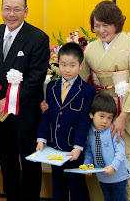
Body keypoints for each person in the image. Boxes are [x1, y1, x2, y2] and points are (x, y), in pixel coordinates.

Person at [80, 0, 130, 200]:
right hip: (101, 115)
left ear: (117, 23)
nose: (101, 30)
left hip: (127, 113)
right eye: (97, 25)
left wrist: (124, 116)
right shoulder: (91, 50)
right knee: (102, 164)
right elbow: (82, 82)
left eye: (106, 24)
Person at [0, 0, 50, 201]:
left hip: (27, 113)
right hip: (2, 114)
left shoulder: (38, 38)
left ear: (26, 11)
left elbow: (36, 78)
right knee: (7, 162)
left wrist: (10, 101)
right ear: (1, 10)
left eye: (17, 9)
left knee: (30, 162)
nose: (11, 14)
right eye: (7, 9)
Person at [36, 42, 95, 201]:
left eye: (72, 65)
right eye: (63, 64)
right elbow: (46, 115)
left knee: (77, 186)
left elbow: (84, 121)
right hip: (55, 147)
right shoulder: (51, 86)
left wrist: (78, 148)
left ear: (81, 65)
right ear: (58, 63)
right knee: (58, 185)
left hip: (74, 148)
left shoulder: (88, 90)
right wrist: (41, 139)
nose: (67, 69)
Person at [84, 94, 130, 201]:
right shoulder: (89, 132)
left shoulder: (113, 131)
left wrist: (113, 167)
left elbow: (120, 152)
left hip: (118, 176)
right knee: (107, 198)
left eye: (109, 117)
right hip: (102, 177)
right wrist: (87, 163)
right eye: (102, 116)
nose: (105, 121)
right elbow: (89, 151)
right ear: (91, 114)